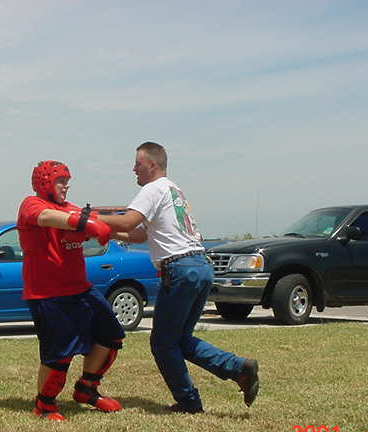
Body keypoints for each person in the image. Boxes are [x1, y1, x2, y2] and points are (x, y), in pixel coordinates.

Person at [99, 142, 259, 413]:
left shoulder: (152, 189)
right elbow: (141, 233)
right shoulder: (173, 190)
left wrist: (90, 218)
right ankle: (238, 369)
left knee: (163, 343)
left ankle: (189, 401)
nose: (134, 169)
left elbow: (128, 221)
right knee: (180, 339)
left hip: (180, 269)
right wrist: (109, 232)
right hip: (199, 265)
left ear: (152, 165)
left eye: (138, 163)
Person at [17, 160, 125, 421]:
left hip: (80, 289)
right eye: (60, 181)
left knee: (111, 335)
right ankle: (44, 405)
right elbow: (46, 217)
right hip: (48, 293)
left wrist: (135, 230)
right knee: (60, 353)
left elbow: (101, 223)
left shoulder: (71, 208)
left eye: (67, 181)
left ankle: (87, 389)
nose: (66, 186)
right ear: (45, 183)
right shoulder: (32, 204)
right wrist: (83, 222)